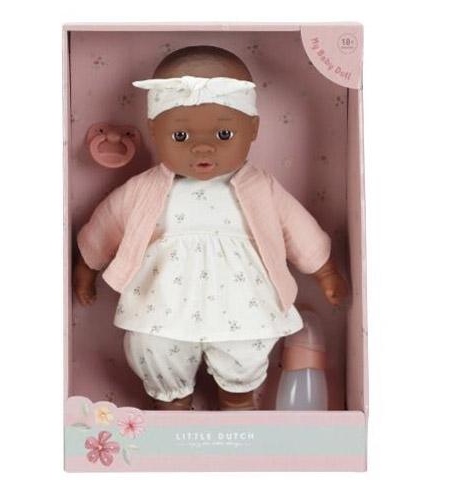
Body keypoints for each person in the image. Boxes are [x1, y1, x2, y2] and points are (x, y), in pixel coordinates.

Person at [74, 45, 348, 411]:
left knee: (247, 346)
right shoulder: (145, 188)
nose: (202, 148)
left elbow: (296, 227)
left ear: (253, 129)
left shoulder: (260, 187)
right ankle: (173, 401)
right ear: (155, 130)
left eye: (223, 135)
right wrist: (87, 266)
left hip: (243, 302)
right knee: (152, 345)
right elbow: (107, 223)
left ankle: (238, 396)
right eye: (181, 137)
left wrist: (324, 270)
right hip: (163, 303)